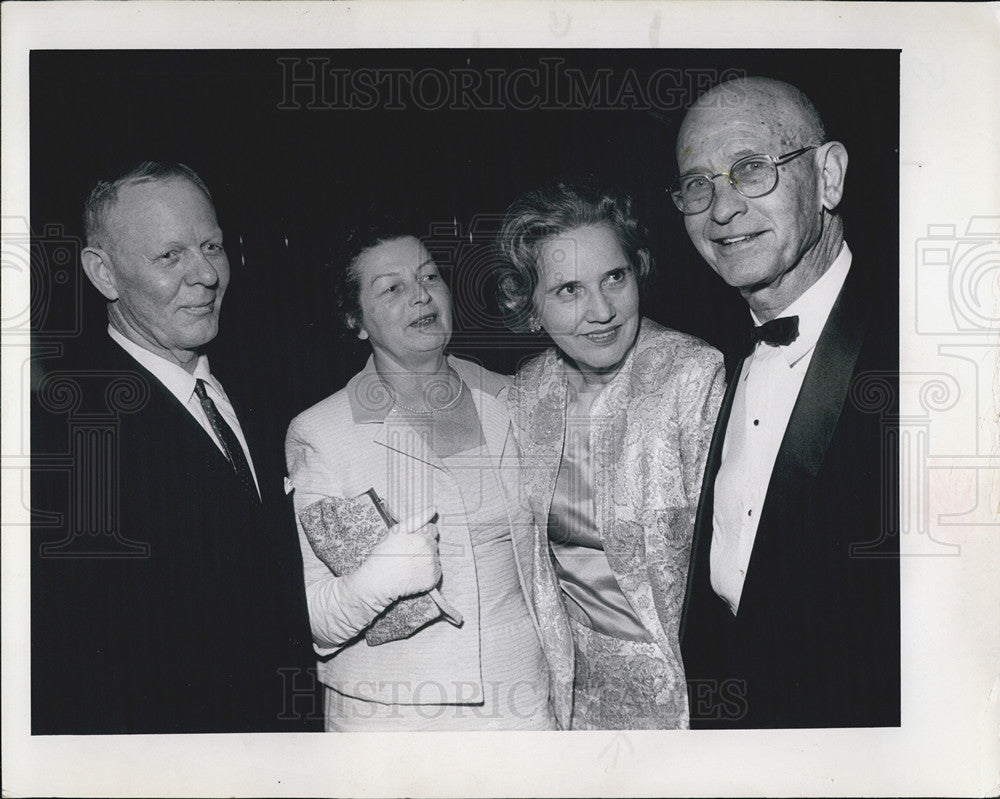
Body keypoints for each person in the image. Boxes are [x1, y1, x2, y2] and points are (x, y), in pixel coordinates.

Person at [31, 162, 318, 734]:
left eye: (211, 245)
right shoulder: (67, 440)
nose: (206, 275)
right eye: (170, 256)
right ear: (104, 274)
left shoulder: (271, 396)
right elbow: (80, 672)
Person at [673, 77, 900, 728]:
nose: (721, 209)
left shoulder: (919, 355)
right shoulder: (720, 363)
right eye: (697, 184)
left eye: (750, 170)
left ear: (828, 176)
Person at [284, 222, 571, 731]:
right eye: (392, 288)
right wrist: (380, 580)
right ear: (357, 320)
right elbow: (314, 621)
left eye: (429, 277)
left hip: (520, 704)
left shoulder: (515, 399)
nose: (421, 295)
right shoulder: (322, 432)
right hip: (392, 722)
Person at [496, 181, 725, 729]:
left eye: (614, 278)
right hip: (571, 693)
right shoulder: (527, 393)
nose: (600, 311)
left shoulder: (692, 376)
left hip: (683, 689)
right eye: (568, 290)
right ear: (532, 308)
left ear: (637, 271)